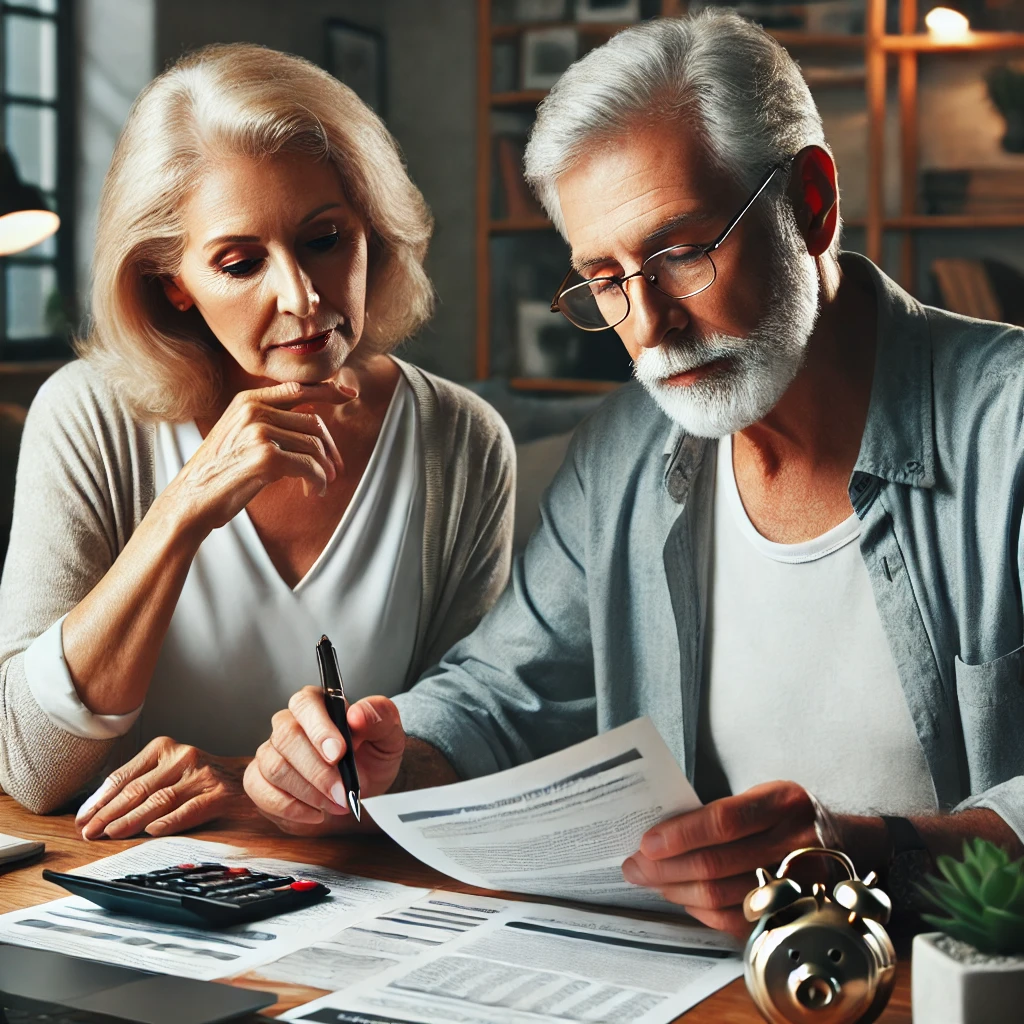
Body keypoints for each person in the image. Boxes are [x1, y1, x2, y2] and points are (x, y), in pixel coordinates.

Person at [244, 10, 1024, 936]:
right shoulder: (623, 451)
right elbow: (500, 697)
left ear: (811, 203)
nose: (648, 327)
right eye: (604, 279)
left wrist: (859, 852)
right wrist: (379, 753)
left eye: (683, 252)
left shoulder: (1007, 429)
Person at [0, 43, 514, 840]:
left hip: (364, 889)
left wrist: (251, 786)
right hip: (120, 889)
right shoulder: (86, 417)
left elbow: (469, 746)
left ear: (372, 229)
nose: (302, 298)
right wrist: (184, 509)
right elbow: (30, 768)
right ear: (172, 282)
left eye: (324, 239)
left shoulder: (461, 438)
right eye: (240, 263)